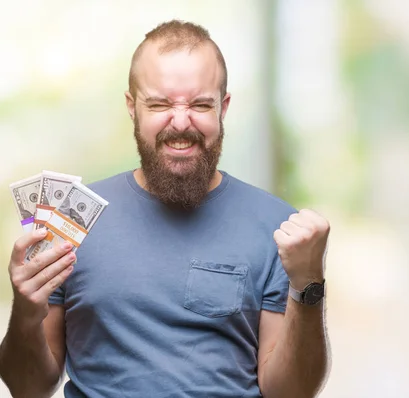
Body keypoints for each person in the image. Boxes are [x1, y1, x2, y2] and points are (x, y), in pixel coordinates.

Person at [0, 20, 330, 398]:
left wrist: (309, 284)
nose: (180, 121)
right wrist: (25, 311)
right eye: (159, 103)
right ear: (132, 107)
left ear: (223, 107)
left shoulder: (276, 227)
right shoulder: (70, 222)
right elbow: (27, 389)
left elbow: (291, 393)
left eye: (200, 104)